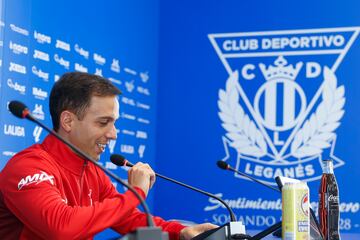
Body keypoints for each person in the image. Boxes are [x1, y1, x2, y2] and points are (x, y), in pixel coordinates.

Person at [0, 72, 216, 239]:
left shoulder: (91, 168)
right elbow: (61, 228)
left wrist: (180, 232)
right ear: (68, 121)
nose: (113, 134)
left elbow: (125, 216)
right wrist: (136, 193)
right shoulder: (27, 167)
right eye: (103, 123)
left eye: (114, 123)